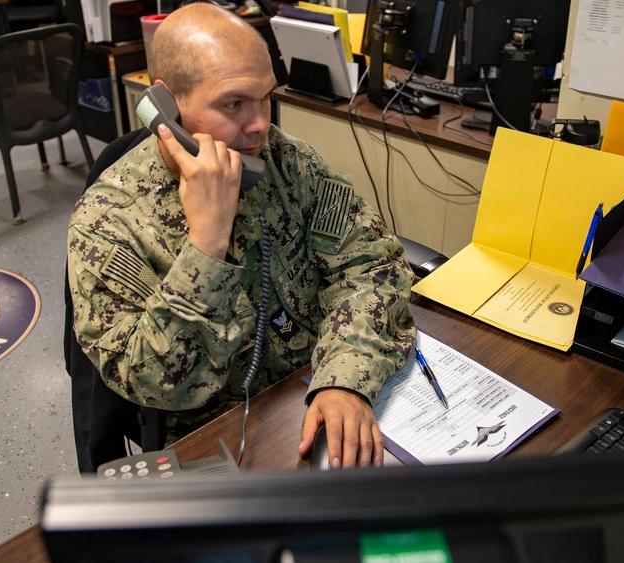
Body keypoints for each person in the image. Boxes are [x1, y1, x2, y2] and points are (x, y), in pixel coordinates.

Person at [67, 2, 415, 469]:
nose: (259, 125)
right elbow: (154, 380)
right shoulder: (108, 220)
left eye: (265, 97)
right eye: (234, 104)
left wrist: (343, 377)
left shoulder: (288, 162)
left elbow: (372, 266)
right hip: (217, 442)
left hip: (320, 392)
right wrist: (206, 243)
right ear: (166, 106)